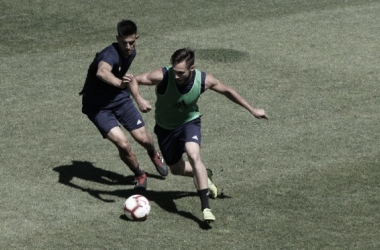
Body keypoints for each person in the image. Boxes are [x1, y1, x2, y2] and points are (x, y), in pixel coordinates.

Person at [127, 48, 268, 223]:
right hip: (165, 129)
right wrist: (139, 99)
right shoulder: (163, 75)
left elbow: (228, 91)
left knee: (194, 154)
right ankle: (204, 175)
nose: (176, 76)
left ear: (192, 68)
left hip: (189, 123)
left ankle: (206, 207)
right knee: (176, 169)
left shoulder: (203, 80)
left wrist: (252, 109)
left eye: (181, 73)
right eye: (174, 71)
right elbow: (133, 79)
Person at [79, 19, 168, 191]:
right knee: (123, 144)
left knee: (143, 139)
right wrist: (118, 83)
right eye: (124, 43)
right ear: (117, 38)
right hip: (97, 108)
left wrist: (139, 99)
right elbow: (102, 71)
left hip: (119, 100)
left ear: (136, 38)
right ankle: (139, 174)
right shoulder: (109, 55)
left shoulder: (131, 53)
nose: (128, 47)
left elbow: (129, 78)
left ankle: (154, 154)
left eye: (132, 43)